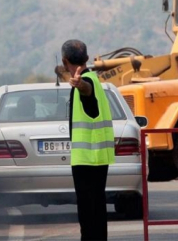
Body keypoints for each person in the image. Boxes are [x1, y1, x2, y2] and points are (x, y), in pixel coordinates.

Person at [61, 39, 115, 241]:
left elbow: (87, 90)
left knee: (88, 213)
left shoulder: (88, 80)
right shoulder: (94, 78)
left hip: (87, 159)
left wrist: (79, 84)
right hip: (98, 157)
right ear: (86, 57)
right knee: (97, 210)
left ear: (65, 61)